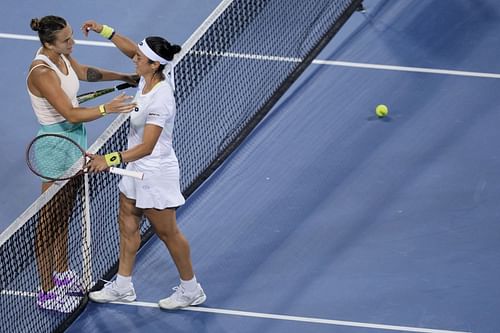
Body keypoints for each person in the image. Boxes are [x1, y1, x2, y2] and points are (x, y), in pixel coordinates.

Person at [83, 20, 206, 310]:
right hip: (134, 170)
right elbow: (130, 48)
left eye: (139, 58)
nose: (133, 59)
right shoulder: (147, 75)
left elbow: (148, 147)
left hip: (154, 172)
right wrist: (104, 30)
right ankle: (123, 286)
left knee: (167, 233)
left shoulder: (161, 98)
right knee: (127, 222)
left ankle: (191, 289)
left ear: (153, 65)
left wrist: (108, 159)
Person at [27, 15, 137, 313]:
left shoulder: (63, 56)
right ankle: (46, 290)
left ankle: (62, 273)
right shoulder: (41, 72)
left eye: (72, 36)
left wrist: (123, 76)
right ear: (48, 44)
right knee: (48, 221)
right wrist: (108, 108)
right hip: (55, 144)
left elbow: (86, 74)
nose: (72, 43)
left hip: (75, 140)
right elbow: (71, 114)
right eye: (66, 40)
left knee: (65, 212)